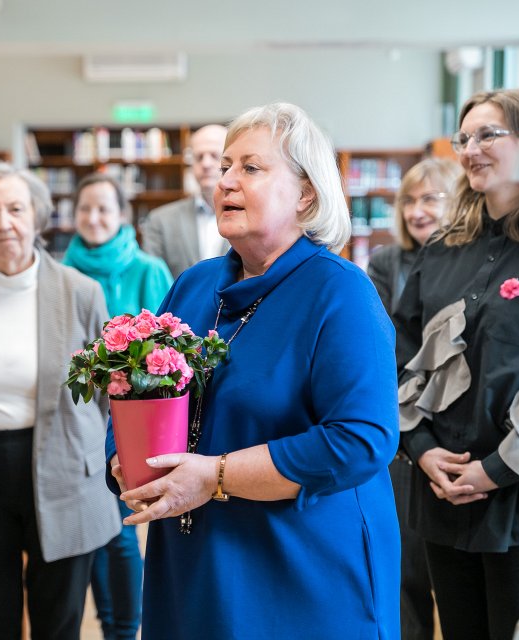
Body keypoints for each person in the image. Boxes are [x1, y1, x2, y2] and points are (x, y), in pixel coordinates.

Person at [108, 103, 400, 639]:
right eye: (224, 167)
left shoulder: (341, 293)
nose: (226, 181)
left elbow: (363, 440)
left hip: (301, 572)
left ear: (306, 193)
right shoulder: (193, 287)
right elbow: (136, 392)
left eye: (250, 168)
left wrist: (217, 476)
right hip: (195, 564)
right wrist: (122, 460)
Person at [394, 88, 519, 640]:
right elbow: (403, 363)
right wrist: (424, 452)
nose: (470, 149)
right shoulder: (442, 250)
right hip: (441, 499)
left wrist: (491, 472)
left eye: (487, 135)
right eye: (464, 138)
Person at [0, 162, 121, 639]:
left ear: (37, 215)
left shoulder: (81, 292)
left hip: (67, 467)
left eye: (15, 209)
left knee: (59, 621)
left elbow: (102, 393)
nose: (4, 223)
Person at [61, 173, 172, 640]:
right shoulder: (60, 268)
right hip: (73, 419)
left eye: (104, 209)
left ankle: (123, 631)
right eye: (85, 209)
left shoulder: (149, 270)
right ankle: (107, 623)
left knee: (122, 530)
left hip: (130, 422)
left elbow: (169, 351)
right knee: (85, 535)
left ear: (123, 216)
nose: (94, 218)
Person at [367, 158, 460, 639]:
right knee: (407, 571)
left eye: (430, 198)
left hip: (460, 429)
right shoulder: (387, 263)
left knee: (458, 579)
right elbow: (384, 350)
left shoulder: (472, 260)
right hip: (404, 431)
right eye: (409, 200)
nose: (417, 210)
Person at [140, 124, 229, 278]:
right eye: (199, 157)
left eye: (214, 155)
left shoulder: (251, 217)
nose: (206, 164)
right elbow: (153, 282)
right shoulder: (160, 221)